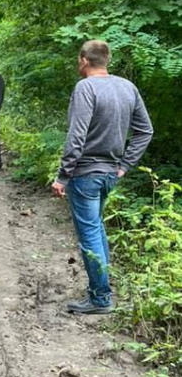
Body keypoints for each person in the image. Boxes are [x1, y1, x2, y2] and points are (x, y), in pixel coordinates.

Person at [51, 40, 153, 314]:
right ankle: (102, 288)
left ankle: (100, 297)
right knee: (96, 229)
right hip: (110, 174)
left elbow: (77, 135)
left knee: (89, 235)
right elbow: (145, 131)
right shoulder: (127, 87)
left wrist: (62, 176)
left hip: (85, 174)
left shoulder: (86, 87)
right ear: (106, 60)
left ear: (84, 60)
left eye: (78, 59)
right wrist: (124, 166)